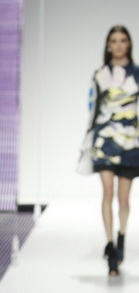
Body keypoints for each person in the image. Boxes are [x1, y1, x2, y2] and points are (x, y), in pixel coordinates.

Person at [78, 26, 139, 275]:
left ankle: (121, 236)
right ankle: (111, 246)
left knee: (124, 199)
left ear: (129, 44)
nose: (118, 45)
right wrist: (88, 140)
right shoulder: (100, 75)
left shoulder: (137, 74)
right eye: (114, 40)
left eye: (123, 40)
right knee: (107, 194)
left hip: (130, 143)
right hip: (104, 142)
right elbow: (92, 108)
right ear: (108, 45)